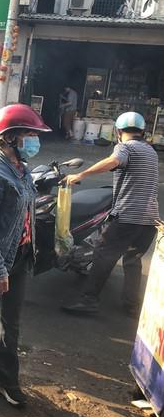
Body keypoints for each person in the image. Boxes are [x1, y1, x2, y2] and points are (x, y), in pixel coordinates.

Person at [0, 103, 51, 408]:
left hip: (19, 256)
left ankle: (5, 379)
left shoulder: (22, 168)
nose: (34, 140)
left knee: (10, 324)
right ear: (10, 137)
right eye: (30, 134)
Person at [61, 112, 159, 317]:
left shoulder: (125, 147)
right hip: (150, 219)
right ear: (143, 131)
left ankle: (89, 300)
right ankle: (132, 305)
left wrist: (81, 174)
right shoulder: (150, 151)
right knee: (132, 259)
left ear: (118, 131)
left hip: (128, 216)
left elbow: (114, 161)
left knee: (103, 254)